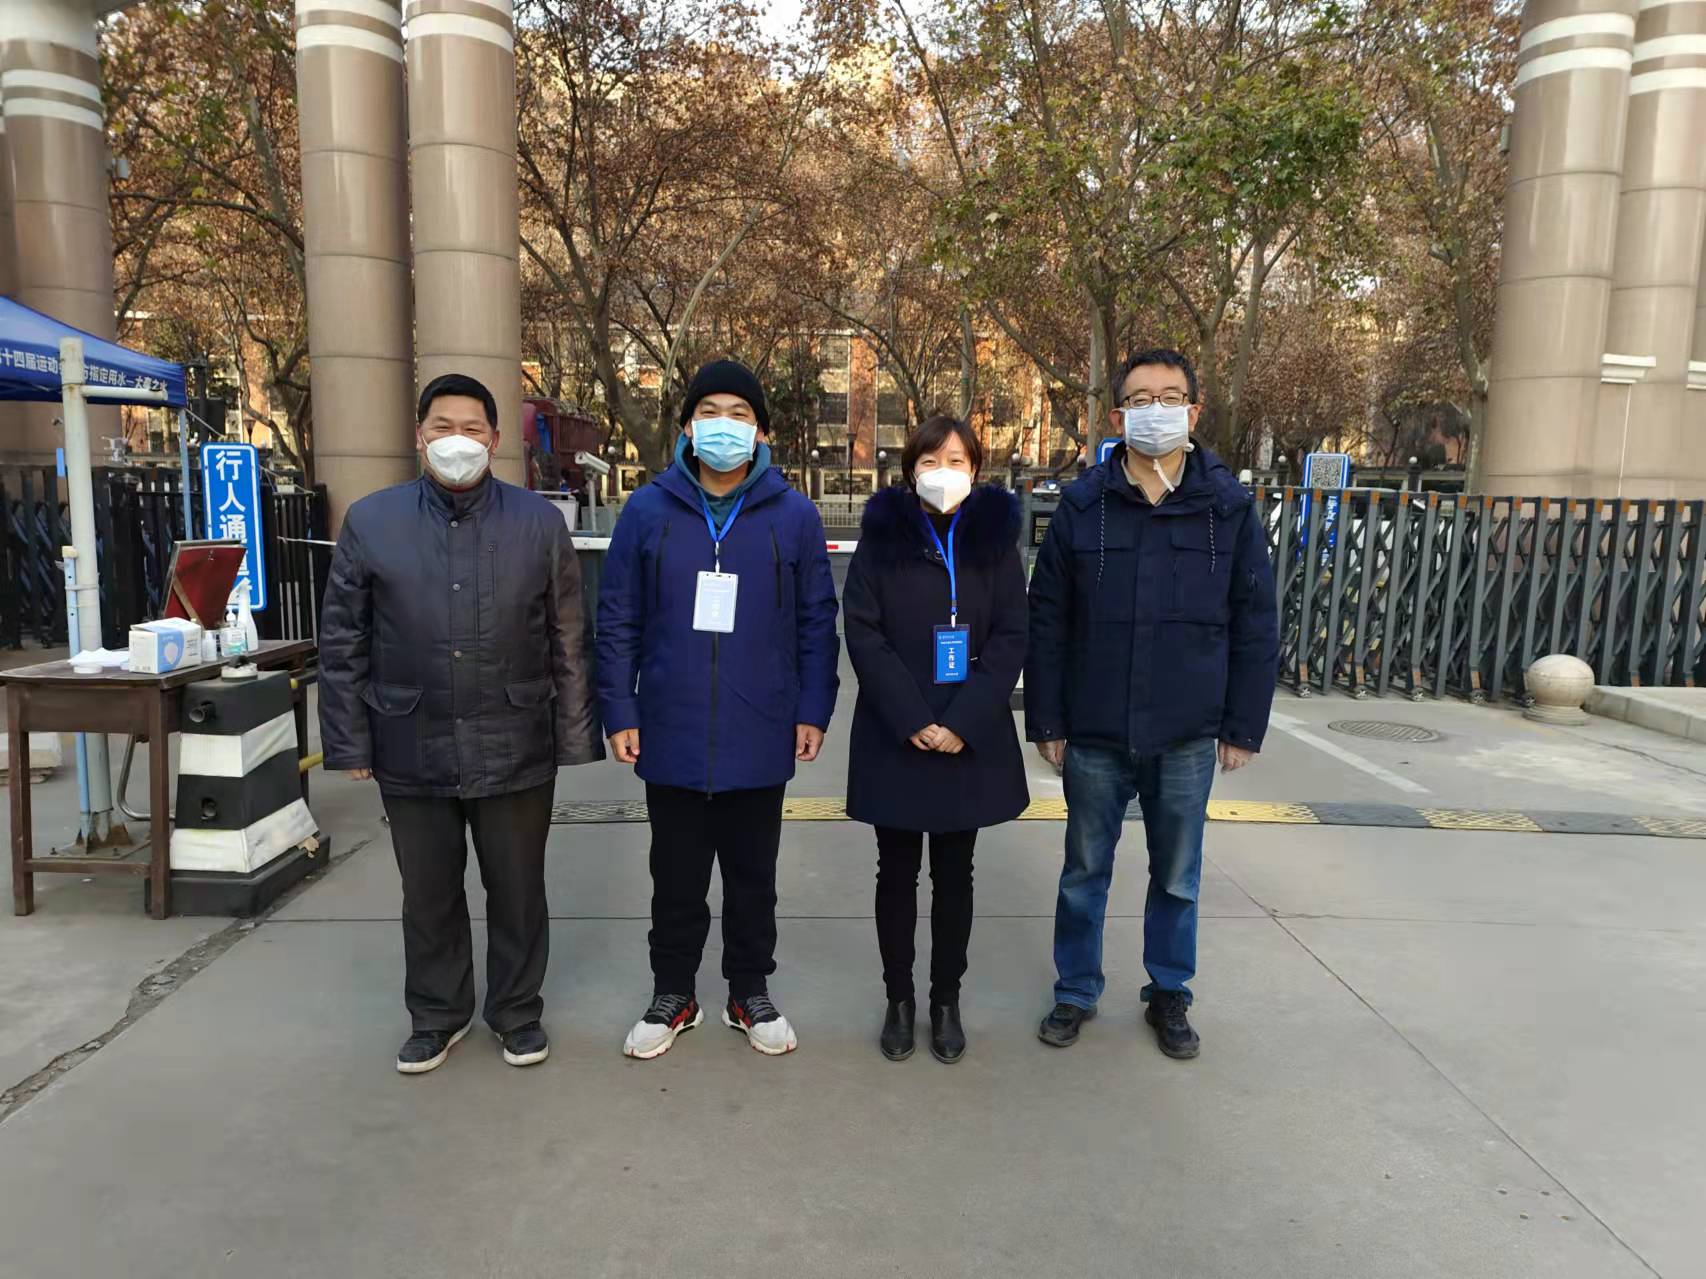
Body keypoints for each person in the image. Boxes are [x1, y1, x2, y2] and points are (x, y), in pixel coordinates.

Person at [319, 373, 604, 1074]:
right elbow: (344, 639)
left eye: (472, 429)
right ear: (419, 436)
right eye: (442, 427)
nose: (457, 441)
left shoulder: (538, 523)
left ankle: (516, 1011)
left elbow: (568, 636)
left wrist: (575, 735)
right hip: (410, 737)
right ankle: (436, 1015)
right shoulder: (372, 521)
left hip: (515, 737)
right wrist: (349, 741)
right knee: (428, 892)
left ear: (495, 439)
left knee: (518, 889)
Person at [1026, 348, 1278, 1060]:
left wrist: (1243, 725)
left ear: (1194, 413)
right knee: (1084, 871)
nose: (1155, 410)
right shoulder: (1083, 507)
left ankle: (1169, 989)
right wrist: (1047, 718)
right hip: (1096, 728)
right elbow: (1048, 619)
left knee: (1177, 875)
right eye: (1140, 399)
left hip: (1187, 730)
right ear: (1118, 418)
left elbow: (1256, 621)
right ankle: (1076, 988)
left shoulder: (1226, 510)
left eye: (1170, 397)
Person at [597, 359, 839, 1060]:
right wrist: (621, 709)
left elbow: (817, 622)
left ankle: (748, 990)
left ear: (760, 431)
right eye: (710, 412)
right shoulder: (648, 511)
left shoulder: (793, 516)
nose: (723, 425)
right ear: (687, 428)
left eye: (739, 413)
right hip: (669, 727)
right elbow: (617, 617)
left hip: (760, 727)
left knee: (752, 877)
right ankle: (673, 992)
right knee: (674, 876)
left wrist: (813, 707)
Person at [842, 415, 1028, 1064]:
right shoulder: (882, 539)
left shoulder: (994, 543)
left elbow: (1011, 634)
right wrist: (912, 717)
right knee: (895, 872)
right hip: (898, 732)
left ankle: (945, 999)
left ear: (976, 470)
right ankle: (899, 999)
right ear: (909, 470)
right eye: (929, 460)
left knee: (956, 874)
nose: (942, 472)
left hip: (966, 735)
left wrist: (963, 720)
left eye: (956, 460)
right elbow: (863, 630)